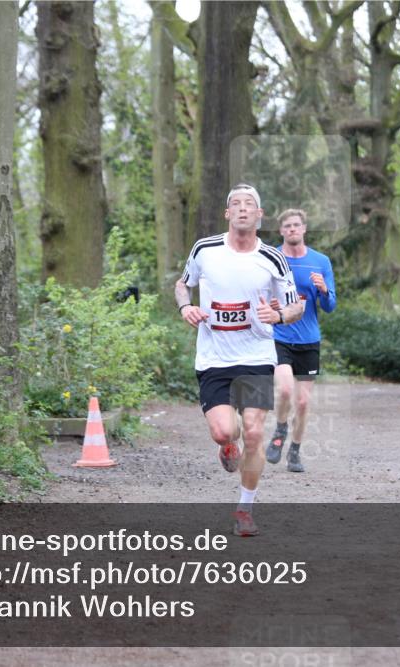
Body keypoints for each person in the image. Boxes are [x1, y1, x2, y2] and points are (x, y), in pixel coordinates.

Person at [174, 184, 304, 537]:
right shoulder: (205, 250)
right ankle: (227, 446)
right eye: (236, 204)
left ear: (260, 216)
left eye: (250, 205)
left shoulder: (273, 259)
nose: (243, 209)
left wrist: (278, 317)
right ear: (227, 214)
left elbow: (297, 306)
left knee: (254, 430)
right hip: (214, 357)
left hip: (256, 356)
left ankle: (245, 509)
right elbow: (182, 285)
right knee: (224, 432)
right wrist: (186, 306)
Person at [265, 209, 337, 473]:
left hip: (309, 339)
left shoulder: (320, 261)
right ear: (281, 231)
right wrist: (269, 305)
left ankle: (294, 451)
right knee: (284, 390)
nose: (293, 229)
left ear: (304, 229)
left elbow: (330, 306)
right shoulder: (272, 257)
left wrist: (324, 290)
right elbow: (260, 292)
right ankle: (281, 428)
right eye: (287, 226)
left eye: (297, 225)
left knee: (304, 402)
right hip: (279, 336)